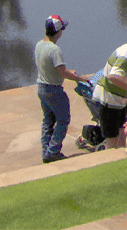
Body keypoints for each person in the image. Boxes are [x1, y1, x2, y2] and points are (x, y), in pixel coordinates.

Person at [34, 14, 88, 163]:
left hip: (41, 88)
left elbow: (53, 68)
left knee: (48, 121)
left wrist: (69, 71)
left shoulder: (39, 45)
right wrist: (81, 78)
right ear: (58, 31)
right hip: (54, 90)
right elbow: (62, 73)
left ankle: (46, 152)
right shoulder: (54, 49)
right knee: (63, 119)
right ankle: (53, 151)